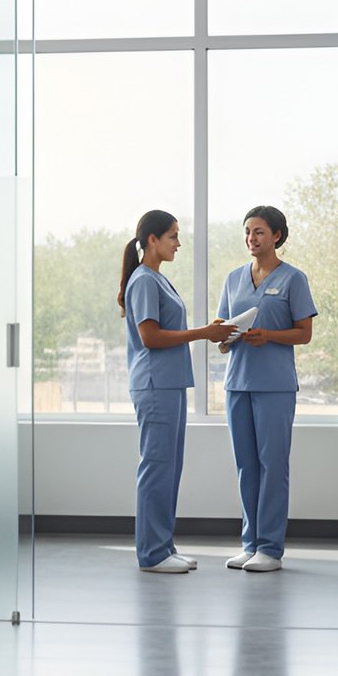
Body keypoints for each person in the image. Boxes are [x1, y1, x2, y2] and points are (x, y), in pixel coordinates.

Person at [120, 210, 230, 575]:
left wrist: (207, 329)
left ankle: (163, 545)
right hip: (154, 384)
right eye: (173, 236)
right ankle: (151, 553)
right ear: (152, 239)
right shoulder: (143, 281)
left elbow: (167, 329)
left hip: (169, 383)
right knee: (156, 468)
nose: (178, 244)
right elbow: (151, 337)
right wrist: (203, 333)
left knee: (170, 468)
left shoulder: (158, 280)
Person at [216, 205, 316, 573]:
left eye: (258, 232)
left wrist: (269, 336)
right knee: (246, 466)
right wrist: (223, 336)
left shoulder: (293, 279)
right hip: (237, 383)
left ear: (276, 235)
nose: (251, 238)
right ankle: (250, 542)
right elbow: (223, 329)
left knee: (272, 465)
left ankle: (271, 548)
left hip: (275, 385)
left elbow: (304, 333)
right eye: (247, 231)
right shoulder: (233, 279)